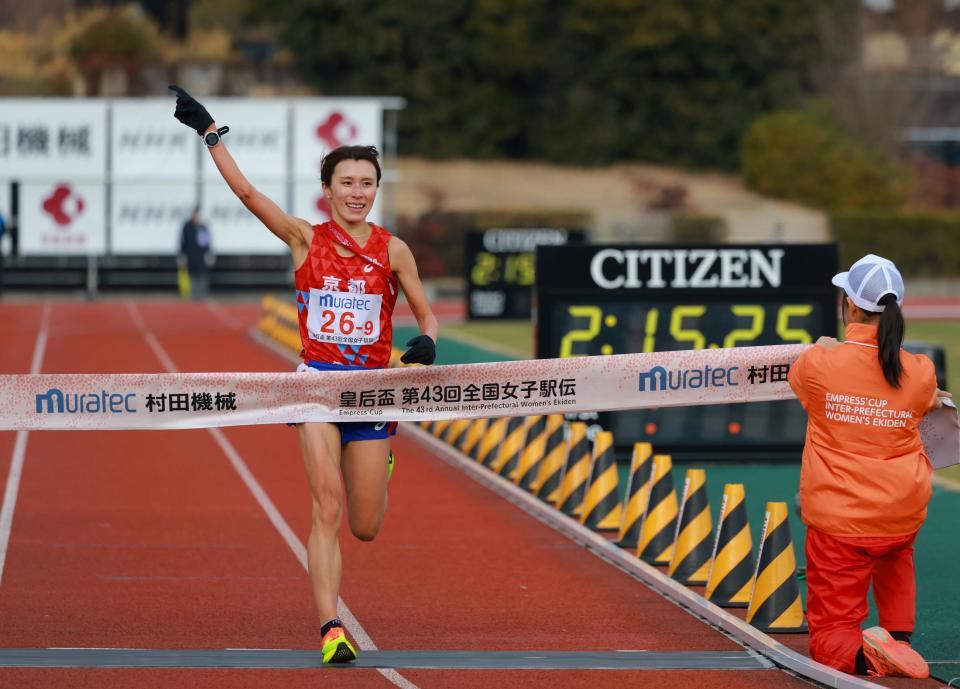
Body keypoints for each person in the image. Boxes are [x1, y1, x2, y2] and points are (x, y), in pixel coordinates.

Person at [169, 85, 438, 664]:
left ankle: (381, 461)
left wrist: (428, 341)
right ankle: (331, 627)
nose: (357, 192)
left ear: (376, 189)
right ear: (328, 190)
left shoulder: (394, 251)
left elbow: (425, 311)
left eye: (366, 183)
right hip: (315, 387)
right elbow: (246, 193)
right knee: (327, 506)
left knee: (365, 525)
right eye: (347, 182)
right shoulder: (304, 239)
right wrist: (211, 134)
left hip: (369, 396)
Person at [788, 254, 950, 679]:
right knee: (898, 555)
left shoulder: (818, 364)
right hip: (902, 509)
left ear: (851, 306)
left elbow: (806, 378)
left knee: (831, 633)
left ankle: (870, 655)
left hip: (841, 519)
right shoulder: (921, 372)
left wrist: (824, 348)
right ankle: (899, 638)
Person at [178, 207, 214, 300]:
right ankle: (193, 296)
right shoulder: (186, 227)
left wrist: (208, 254)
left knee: (202, 275)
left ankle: (202, 295)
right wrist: (182, 255)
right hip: (190, 255)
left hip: (201, 256)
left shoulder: (203, 227)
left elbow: (207, 242)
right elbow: (183, 242)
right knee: (192, 275)